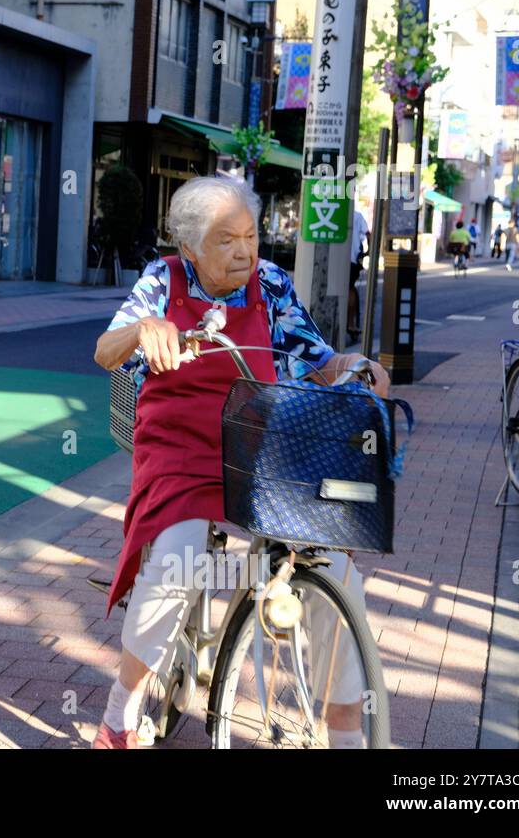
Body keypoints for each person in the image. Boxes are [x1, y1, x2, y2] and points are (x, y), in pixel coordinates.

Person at [92, 176, 390, 750]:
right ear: (190, 247)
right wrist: (143, 329)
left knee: (337, 574)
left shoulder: (273, 284)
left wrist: (354, 364)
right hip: (180, 446)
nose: (244, 250)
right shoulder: (163, 280)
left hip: (259, 443)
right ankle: (119, 713)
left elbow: (316, 358)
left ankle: (349, 737)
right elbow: (106, 351)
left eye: (250, 236)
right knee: (177, 559)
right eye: (226, 239)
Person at [347, 206, 370, 346]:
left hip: (337, 260)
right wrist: (368, 252)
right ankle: (350, 323)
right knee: (350, 288)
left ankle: (349, 323)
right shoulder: (357, 215)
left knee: (348, 287)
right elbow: (368, 234)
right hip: (352, 258)